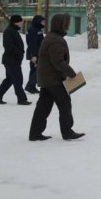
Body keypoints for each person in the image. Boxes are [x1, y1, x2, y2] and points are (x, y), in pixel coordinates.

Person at [28, 13, 84, 141]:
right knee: (65, 104)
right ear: (61, 25)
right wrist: (72, 74)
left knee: (43, 107)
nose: (68, 27)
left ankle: (35, 133)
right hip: (53, 79)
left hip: (47, 78)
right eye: (66, 24)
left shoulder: (51, 37)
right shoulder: (55, 40)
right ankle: (67, 131)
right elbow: (58, 62)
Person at [0, 15, 32, 106]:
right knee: (18, 79)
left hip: (13, 60)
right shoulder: (9, 31)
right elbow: (9, 46)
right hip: (11, 60)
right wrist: (19, 52)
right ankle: (22, 99)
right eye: (21, 21)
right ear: (16, 22)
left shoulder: (13, 30)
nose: (22, 23)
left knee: (9, 80)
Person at [25, 15, 46, 94]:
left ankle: (32, 87)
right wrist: (33, 55)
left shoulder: (37, 29)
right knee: (37, 70)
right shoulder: (33, 30)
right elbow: (32, 44)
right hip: (35, 54)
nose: (44, 23)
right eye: (43, 21)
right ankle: (29, 86)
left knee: (34, 70)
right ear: (38, 22)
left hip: (37, 53)